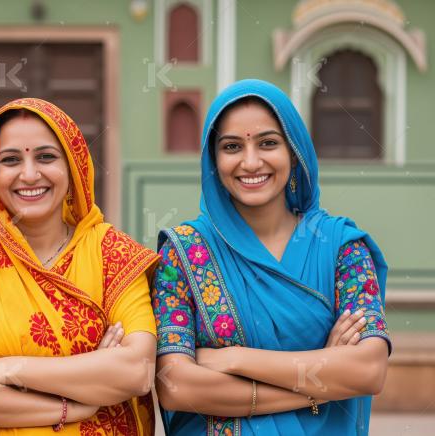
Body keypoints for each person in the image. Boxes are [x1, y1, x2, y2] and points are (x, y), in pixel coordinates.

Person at [152, 79, 391, 435]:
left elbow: (369, 371)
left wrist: (234, 359)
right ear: (213, 160)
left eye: (268, 143)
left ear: (293, 152)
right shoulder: (185, 253)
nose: (251, 162)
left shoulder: (341, 247)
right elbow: (174, 385)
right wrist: (319, 384)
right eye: (232, 146)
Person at [0, 98, 159, 435]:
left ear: (73, 167)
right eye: (11, 160)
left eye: (46, 157)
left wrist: (4, 369)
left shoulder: (111, 253)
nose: (29, 174)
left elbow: (138, 371)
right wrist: (74, 403)